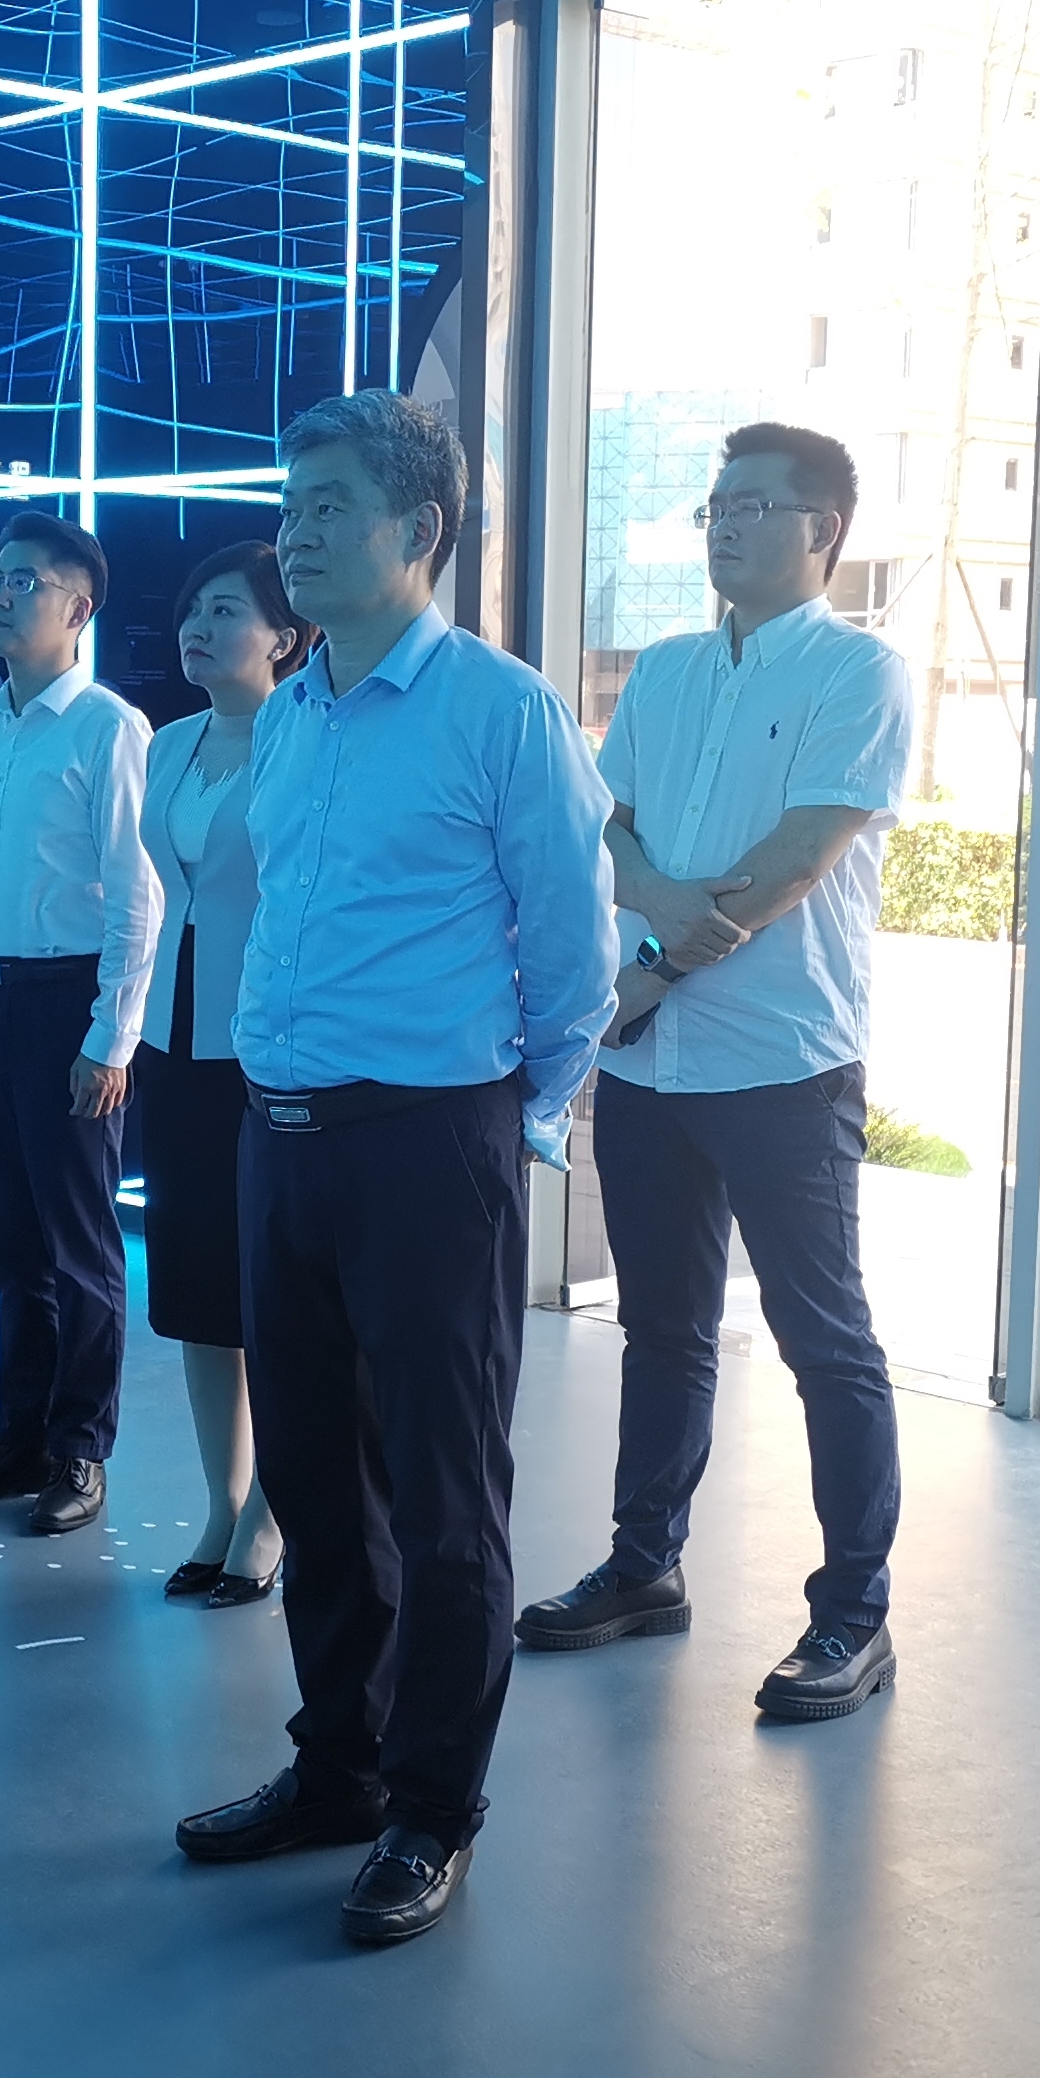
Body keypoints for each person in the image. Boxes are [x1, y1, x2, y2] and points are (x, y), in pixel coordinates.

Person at [173, 393, 612, 1949]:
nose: (293, 533)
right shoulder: (294, 709)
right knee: (312, 1480)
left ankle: (433, 1808)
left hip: (432, 1144)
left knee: (442, 1495)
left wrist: (504, 1124)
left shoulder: (500, 711)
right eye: (288, 504)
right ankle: (340, 1768)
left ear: (420, 530)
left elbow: (575, 958)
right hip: (278, 1132)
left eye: (328, 506)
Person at [517, 420, 919, 1722]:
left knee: (824, 1340)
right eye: (714, 505)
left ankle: (853, 1614)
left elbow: (801, 858)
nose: (723, 525)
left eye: (752, 505)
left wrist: (650, 968)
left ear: (822, 530)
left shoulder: (860, 671)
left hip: (781, 1062)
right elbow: (610, 829)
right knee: (662, 1331)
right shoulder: (670, 668)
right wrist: (660, 920)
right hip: (654, 1068)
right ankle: (644, 1567)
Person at [0, 515, 157, 1536]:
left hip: (65, 1006)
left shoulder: (109, 728)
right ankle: (17, 1441)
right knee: (9, 1242)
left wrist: (112, 1036)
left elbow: (137, 894)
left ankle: (80, 1449)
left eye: (25, 583)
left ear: (77, 609)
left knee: (79, 1246)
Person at [135, 543, 313, 1607]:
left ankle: (271, 1517)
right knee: (200, 1289)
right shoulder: (167, 744)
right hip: (175, 1041)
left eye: (225, 612)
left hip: (274, 1044)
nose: (197, 629)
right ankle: (221, 1502)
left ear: (284, 637)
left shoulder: (307, 741)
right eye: (192, 610)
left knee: (276, 1294)